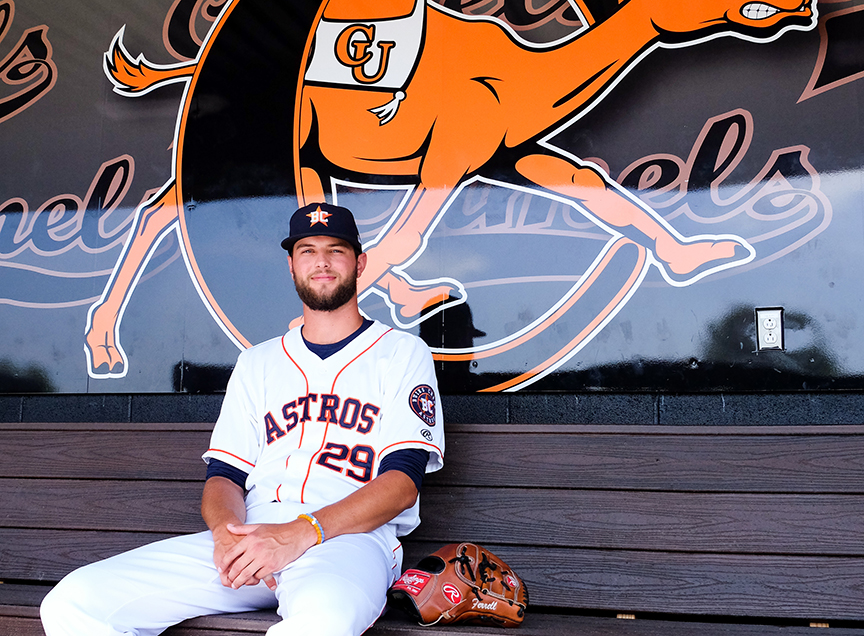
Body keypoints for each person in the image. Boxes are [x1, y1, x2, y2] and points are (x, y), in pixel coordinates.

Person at [41, 202, 445, 636]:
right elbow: (224, 477)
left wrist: (299, 533)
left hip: (347, 541)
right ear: (291, 266)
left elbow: (402, 485)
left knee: (322, 623)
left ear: (360, 262)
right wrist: (226, 534)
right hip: (251, 536)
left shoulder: (403, 353)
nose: (322, 261)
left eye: (337, 250)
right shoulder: (257, 362)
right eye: (307, 250)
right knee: (77, 601)